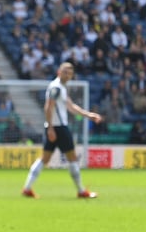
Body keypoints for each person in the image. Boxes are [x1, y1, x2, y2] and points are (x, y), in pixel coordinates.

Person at [22, 62, 103, 199]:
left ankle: (27, 188)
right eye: (65, 72)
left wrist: (88, 115)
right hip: (59, 128)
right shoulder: (56, 87)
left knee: (45, 158)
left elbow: (71, 107)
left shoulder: (61, 88)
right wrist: (51, 128)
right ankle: (81, 191)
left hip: (53, 127)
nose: (67, 75)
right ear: (59, 72)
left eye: (70, 73)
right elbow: (48, 107)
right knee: (72, 158)